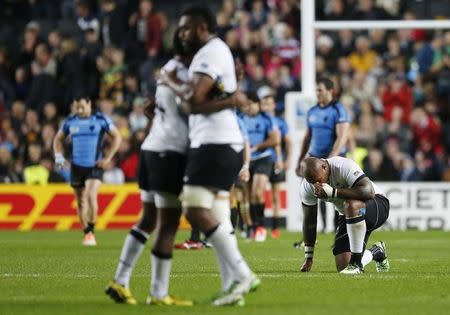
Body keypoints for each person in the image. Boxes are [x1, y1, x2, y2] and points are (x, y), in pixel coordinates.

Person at [161, 6, 259, 306]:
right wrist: (229, 98)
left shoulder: (209, 53)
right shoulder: (212, 53)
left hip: (215, 144)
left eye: (187, 28)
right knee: (218, 216)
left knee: (192, 207)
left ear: (203, 27)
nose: (183, 34)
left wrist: (171, 83)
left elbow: (193, 102)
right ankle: (232, 287)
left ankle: (243, 274)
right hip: (217, 141)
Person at [105, 30, 193, 306]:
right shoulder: (185, 73)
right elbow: (191, 106)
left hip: (150, 147)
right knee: (168, 224)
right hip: (168, 152)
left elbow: (148, 107)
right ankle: (158, 293)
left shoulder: (166, 69)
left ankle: (120, 281)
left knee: (148, 220)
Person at [299, 156, 390, 274]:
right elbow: (309, 221)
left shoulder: (342, 165)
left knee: (350, 204)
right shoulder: (307, 187)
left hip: (377, 204)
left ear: (324, 167)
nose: (317, 185)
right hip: (349, 215)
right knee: (343, 265)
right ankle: (376, 252)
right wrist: (309, 258)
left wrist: (334, 192)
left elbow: (369, 191)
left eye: (319, 180)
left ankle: (356, 264)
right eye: (313, 182)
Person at [53, 96, 122, 246]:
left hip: (94, 166)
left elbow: (117, 137)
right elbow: (57, 139)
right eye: (77, 107)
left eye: (82, 106)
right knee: (80, 202)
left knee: (91, 195)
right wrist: (58, 157)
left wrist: (108, 157)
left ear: (89, 104)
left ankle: (91, 229)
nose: (79, 110)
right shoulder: (70, 121)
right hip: (77, 167)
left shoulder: (100, 119)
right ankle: (87, 233)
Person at [295, 77, 351, 234]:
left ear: (330, 91)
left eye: (320, 90)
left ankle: (337, 226)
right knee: (315, 192)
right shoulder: (312, 111)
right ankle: (323, 226)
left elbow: (342, 136)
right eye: (316, 90)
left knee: (336, 194)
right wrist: (300, 160)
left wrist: (331, 159)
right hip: (314, 158)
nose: (317, 93)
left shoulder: (339, 110)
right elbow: (307, 137)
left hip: (332, 159)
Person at [239, 91, 279, 241]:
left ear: (257, 104)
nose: (248, 107)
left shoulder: (266, 118)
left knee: (258, 191)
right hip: (246, 160)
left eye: (251, 104)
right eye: (246, 105)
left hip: (264, 157)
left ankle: (261, 225)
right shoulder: (241, 118)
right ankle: (253, 226)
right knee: (248, 195)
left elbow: (275, 139)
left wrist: (257, 146)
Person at [258, 86, 292, 239]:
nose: (266, 106)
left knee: (275, 195)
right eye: (264, 103)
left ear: (273, 105)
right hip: (260, 161)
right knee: (258, 193)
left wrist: (288, 159)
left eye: (268, 103)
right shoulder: (259, 121)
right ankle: (258, 225)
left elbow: (288, 142)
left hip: (275, 161)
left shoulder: (280, 122)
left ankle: (275, 228)